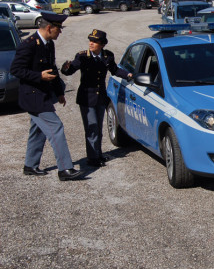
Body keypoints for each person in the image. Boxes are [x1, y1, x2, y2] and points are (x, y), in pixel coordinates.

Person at [10, 12, 83, 181]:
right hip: (33, 97)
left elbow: (52, 69)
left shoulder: (48, 44)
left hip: (44, 95)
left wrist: (59, 92)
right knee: (56, 127)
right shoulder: (28, 45)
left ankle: (30, 165)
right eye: (59, 28)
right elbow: (16, 69)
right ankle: (65, 169)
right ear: (49, 28)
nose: (60, 32)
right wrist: (39, 76)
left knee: (38, 131)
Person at [61, 29, 132, 167]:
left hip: (100, 97)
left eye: (95, 41)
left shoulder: (107, 56)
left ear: (102, 44)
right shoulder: (83, 56)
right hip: (87, 98)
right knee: (91, 127)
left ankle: (98, 154)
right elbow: (72, 68)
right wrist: (66, 68)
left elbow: (114, 70)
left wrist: (128, 75)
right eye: (90, 41)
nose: (91, 44)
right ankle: (92, 158)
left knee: (98, 127)